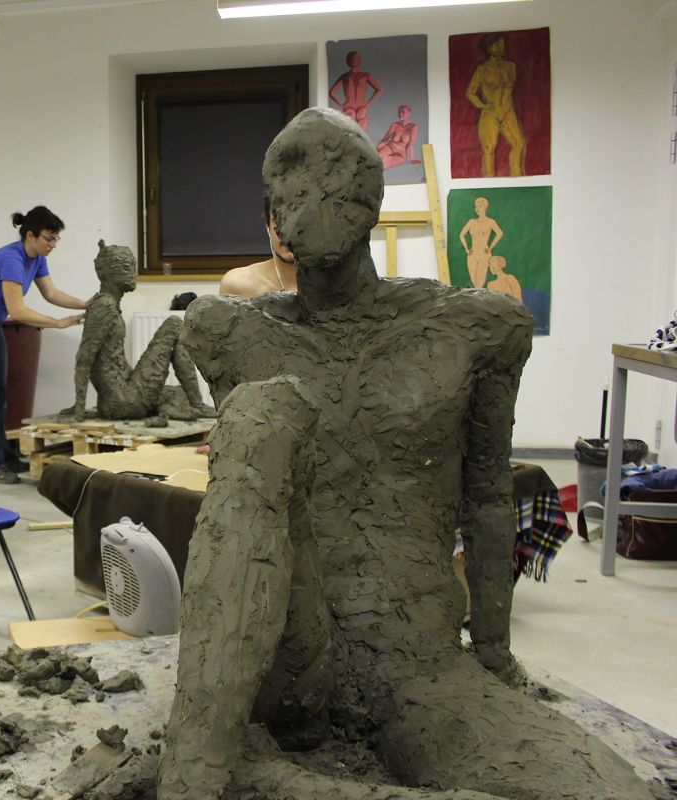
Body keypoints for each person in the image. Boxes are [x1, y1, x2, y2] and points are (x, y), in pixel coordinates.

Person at [155, 108, 649, 799]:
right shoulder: (227, 333)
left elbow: (485, 495)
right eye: (292, 184)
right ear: (271, 214)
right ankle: (199, 770)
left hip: (417, 663)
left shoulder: (473, 328)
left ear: (373, 197)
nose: (317, 197)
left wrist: (495, 656)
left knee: (608, 790)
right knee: (264, 416)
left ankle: (252, 778)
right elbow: (247, 509)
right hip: (290, 658)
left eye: (340, 178)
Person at [0, 206, 87, 484]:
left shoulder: (37, 259)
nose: (53, 245)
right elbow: (18, 310)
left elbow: (51, 293)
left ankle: (2, 454)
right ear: (30, 235)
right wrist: (58, 323)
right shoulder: (12, 259)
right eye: (48, 238)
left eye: (56, 239)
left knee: (1, 393)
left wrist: (85, 304)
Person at [59, 241, 215, 424]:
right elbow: (84, 358)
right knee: (174, 324)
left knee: (176, 393)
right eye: (126, 267)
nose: (133, 274)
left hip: (121, 396)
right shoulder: (104, 306)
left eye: (133, 267)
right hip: (124, 400)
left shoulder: (109, 305)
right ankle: (198, 405)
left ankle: (190, 406)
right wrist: (79, 410)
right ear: (108, 272)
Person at [465, 33, 526, 177]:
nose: (501, 47)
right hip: (490, 113)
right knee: (488, 149)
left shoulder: (511, 67)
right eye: (497, 44)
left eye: (502, 43)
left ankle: (517, 178)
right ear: (489, 48)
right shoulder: (482, 69)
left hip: (508, 111)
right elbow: (470, 93)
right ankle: (489, 182)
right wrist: (483, 106)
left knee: (519, 143)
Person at [219, 197, 297, 298]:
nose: (287, 232)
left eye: (298, 220)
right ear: (268, 226)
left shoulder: (324, 287)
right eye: (278, 219)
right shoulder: (240, 285)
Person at [328, 50, 383, 131]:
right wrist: (368, 102)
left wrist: (342, 105)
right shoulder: (350, 76)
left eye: (355, 58)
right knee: (355, 134)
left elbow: (379, 89)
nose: (353, 60)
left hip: (353, 106)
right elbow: (379, 89)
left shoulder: (351, 76)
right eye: (352, 58)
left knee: (356, 134)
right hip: (358, 106)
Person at [458, 195, 503, 289]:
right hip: (472, 254)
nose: (477, 209)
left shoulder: (491, 222)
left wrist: (490, 248)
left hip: (484, 254)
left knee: (480, 283)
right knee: (475, 283)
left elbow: (499, 233)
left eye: (480, 206)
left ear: (485, 207)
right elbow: (461, 235)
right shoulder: (471, 222)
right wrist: (467, 249)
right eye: (476, 206)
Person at [375, 104, 421, 170]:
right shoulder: (394, 125)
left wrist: (413, 159)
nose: (400, 114)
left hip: (400, 153)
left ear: (409, 114)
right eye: (399, 112)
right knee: (373, 160)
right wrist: (377, 148)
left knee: (383, 164)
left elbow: (411, 144)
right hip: (389, 147)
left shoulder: (413, 127)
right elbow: (385, 139)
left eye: (403, 112)